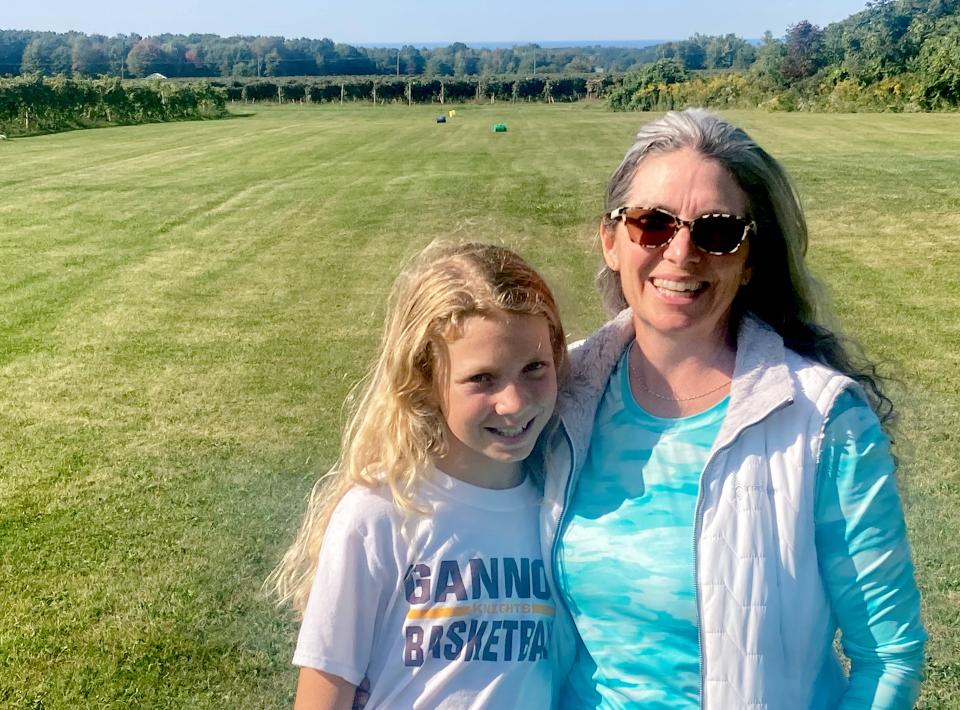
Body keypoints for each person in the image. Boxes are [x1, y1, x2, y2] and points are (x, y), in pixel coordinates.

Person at [540, 109, 927, 709]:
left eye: (717, 230)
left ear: (749, 260)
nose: (682, 251)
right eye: (652, 223)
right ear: (611, 241)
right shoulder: (554, 395)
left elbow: (888, 659)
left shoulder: (824, 423)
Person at [267, 242, 576, 709]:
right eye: (482, 378)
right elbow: (321, 697)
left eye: (534, 368)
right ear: (425, 380)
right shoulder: (380, 513)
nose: (513, 402)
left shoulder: (559, 506)